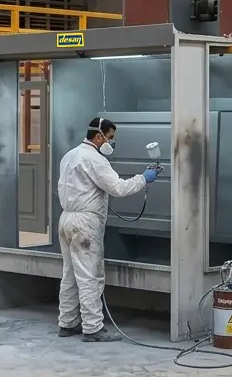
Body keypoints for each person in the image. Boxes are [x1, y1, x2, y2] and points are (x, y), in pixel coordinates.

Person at [57, 117, 160, 342]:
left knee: (70, 275)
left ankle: (67, 323)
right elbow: (119, 188)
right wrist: (143, 178)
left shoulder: (69, 155)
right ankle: (92, 328)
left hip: (66, 219)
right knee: (90, 276)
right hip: (84, 223)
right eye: (110, 138)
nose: (111, 142)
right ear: (99, 136)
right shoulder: (95, 159)